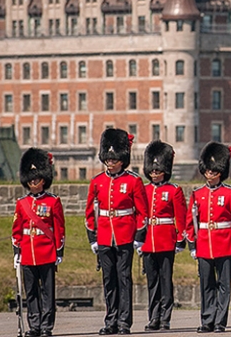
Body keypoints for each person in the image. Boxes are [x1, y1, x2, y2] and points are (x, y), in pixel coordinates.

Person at [85, 128, 150, 335]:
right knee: (108, 280)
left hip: (125, 236)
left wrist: (139, 237)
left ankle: (124, 321)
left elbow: (142, 212)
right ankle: (110, 319)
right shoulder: (97, 182)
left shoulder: (133, 181)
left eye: (114, 158)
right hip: (104, 236)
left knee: (124, 278)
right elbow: (90, 213)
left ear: (122, 159)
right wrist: (93, 238)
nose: (110, 162)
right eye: (108, 158)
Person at [186, 142, 231, 333]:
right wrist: (192, 244)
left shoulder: (230, 193)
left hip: (224, 243)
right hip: (204, 243)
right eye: (208, 171)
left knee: (224, 285)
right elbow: (191, 221)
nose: (210, 174)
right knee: (206, 285)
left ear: (220, 171)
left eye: (214, 171)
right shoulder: (198, 194)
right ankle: (207, 319)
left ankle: (220, 321)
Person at [12, 148, 65, 337]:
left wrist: (59, 251)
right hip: (27, 252)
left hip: (46, 252)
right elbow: (17, 229)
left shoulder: (53, 201)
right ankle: (34, 324)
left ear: (44, 179)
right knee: (31, 291)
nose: (34, 182)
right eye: (31, 179)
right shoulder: (22, 203)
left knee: (47, 292)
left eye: (37, 179)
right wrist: (17, 251)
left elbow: (59, 228)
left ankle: (46, 326)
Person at [140, 141, 187, 331]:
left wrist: (180, 238)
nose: (155, 173)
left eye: (158, 170)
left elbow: (180, 216)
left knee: (166, 280)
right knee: (152, 281)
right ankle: (154, 317)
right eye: (152, 170)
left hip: (166, 239)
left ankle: (165, 317)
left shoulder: (173, 190)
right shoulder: (144, 190)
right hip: (148, 240)